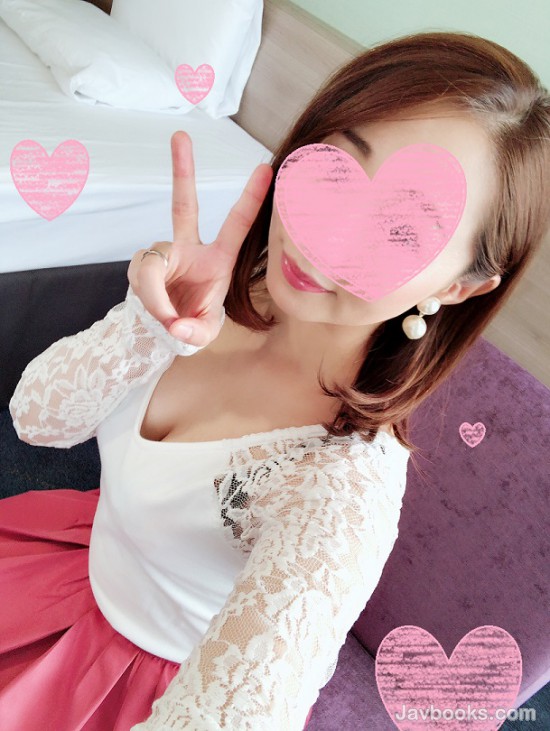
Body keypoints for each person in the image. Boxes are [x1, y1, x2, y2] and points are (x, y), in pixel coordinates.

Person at [1, 30, 549, 731]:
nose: (326, 240)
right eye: (337, 169)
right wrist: (145, 324)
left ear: (460, 286)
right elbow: (35, 420)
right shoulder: (235, 284)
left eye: (402, 230)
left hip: (130, 686)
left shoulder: (339, 497)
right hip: (75, 567)